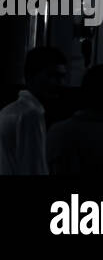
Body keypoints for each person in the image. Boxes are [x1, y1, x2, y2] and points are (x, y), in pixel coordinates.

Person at [0, 47, 68, 175]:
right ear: (31, 76)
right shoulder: (31, 114)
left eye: (62, 77)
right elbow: (33, 168)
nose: (60, 83)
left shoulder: (9, 110)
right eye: (52, 76)